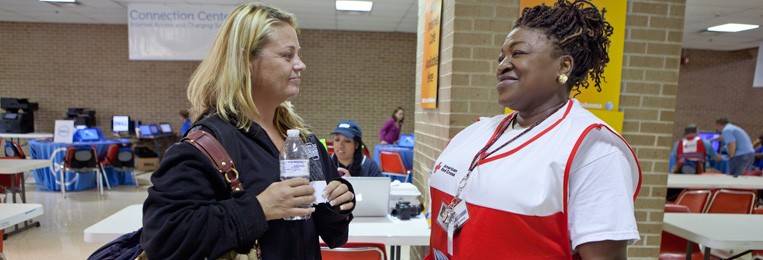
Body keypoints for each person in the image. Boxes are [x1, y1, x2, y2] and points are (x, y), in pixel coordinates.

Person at [426, 1, 641, 259]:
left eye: (518, 53)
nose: (503, 64)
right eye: (501, 56)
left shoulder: (594, 152)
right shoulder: (476, 134)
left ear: (563, 67)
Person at [140, 4, 355, 259]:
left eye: (298, 54)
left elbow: (332, 232)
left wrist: (341, 200)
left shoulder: (303, 141)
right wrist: (259, 208)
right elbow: (163, 238)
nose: (301, 65)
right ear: (246, 61)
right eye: (287, 55)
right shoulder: (207, 145)